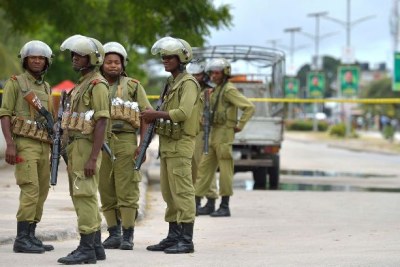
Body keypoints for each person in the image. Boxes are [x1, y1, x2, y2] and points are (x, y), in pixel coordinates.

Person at [141, 36, 200, 254]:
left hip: (181, 143)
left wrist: (155, 114)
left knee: (183, 192)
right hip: (167, 145)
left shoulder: (189, 83)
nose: (165, 60)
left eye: (169, 57)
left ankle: (186, 240)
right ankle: (173, 235)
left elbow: (183, 113)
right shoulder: (171, 83)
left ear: (181, 58)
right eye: (163, 57)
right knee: (169, 193)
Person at [57, 34, 109, 265]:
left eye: (80, 55)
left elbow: (101, 121)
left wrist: (93, 157)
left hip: (87, 147)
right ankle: (96, 246)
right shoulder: (83, 84)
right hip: (76, 146)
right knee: (81, 195)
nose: (74, 58)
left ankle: (86, 248)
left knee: (84, 195)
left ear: (92, 58)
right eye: (74, 54)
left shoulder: (97, 84)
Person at [0, 40, 54, 254]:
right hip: (24, 144)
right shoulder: (16, 83)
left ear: (46, 62)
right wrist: (10, 144)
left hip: (44, 145)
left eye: (41, 58)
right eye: (33, 57)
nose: (37, 61)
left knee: (41, 192)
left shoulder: (47, 87)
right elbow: (5, 113)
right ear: (25, 60)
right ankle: (21, 238)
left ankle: (31, 235)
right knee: (30, 189)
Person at [98, 42, 152, 250]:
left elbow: (146, 116)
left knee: (127, 188)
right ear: (101, 63)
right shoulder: (95, 85)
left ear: (123, 64)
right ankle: (113, 233)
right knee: (105, 189)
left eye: (116, 62)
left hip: (126, 141)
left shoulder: (133, 86)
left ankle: (128, 235)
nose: (112, 65)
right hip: (100, 143)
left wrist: (142, 146)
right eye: (108, 61)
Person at [195, 58, 255, 217]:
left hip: (224, 134)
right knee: (204, 169)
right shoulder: (216, 90)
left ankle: (224, 205)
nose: (213, 76)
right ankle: (196, 203)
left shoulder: (228, 89)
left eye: (217, 73)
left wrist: (240, 125)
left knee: (225, 170)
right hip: (213, 133)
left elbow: (248, 107)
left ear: (225, 73)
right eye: (212, 73)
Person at [186, 60, 219, 215]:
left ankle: (210, 200)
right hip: (189, 132)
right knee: (191, 168)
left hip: (203, 133)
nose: (195, 77)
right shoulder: (187, 89)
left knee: (204, 168)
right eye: (192, 75)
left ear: (204, 75)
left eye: (198, 75)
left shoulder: (209, 92)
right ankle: (195, 201)